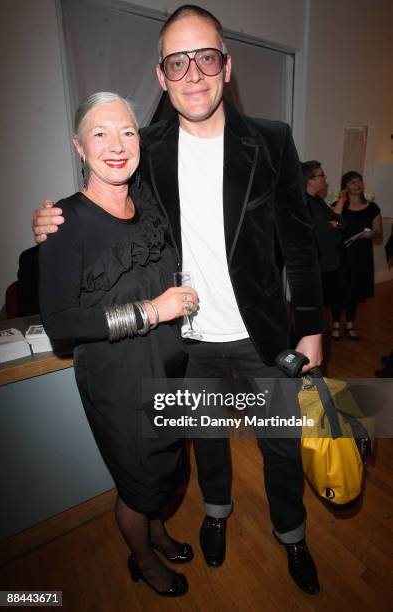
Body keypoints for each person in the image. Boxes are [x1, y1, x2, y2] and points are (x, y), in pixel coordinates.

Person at [33, 5, 324, 594]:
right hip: (186, 341)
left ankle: (291, 534)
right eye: (177, 62)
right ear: (162, 76)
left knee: (280, 443)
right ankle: (216, 515)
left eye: (206, 57)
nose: (194, 73)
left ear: (226, 65)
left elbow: (299, 241)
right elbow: (106, 207)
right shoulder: (149, 149)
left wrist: (312, 326)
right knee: (208, 441)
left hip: (258, 336)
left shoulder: (270, 140)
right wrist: (49, 221)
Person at [39, 92, 201, 597]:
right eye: (100, 133)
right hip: (119, 383)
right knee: (137, 483)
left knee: (167, 470)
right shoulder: (66, 222)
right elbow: (61, 322)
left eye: (127, 132)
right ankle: (144, 561)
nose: (116, 145)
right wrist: (152, 311)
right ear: (79, 147)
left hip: (170, 367)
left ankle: (156, 534)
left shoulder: (148, 203)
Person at [331, 171, 383, 340]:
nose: (357, 185)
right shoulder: (337, 205)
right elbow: (331, 228)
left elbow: (379, 232)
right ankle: (336, 324)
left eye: (359, 181)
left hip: (362, 255)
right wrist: (341, 200)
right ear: (345, 186)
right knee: (339, 289)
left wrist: (372, 234)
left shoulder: (372, 207)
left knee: (354, 289)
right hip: (341, 255)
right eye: (353, 182)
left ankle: (350, 324)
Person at [301, 161, 346, 336]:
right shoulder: (305, 203)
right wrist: (334, 225)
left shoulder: (318, 200)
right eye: (321, 175)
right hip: (318, 262)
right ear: (310, 180)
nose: (325, 178)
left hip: (328, 261)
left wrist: (334, 224)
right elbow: (324, 234)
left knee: (325, 303)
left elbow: (341, 222)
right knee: (315, 306)